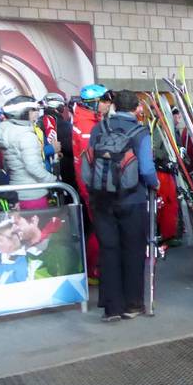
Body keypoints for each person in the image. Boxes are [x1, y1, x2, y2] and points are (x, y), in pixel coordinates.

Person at [87, 89, 158, 322]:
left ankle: (111, 308)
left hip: (101, 198)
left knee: (109, 250)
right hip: (132, 199)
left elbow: (88, 159)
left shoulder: (99, 128)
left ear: (114, 106)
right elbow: (146, 168)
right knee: (133, 250)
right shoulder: (140, 132)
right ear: (136, 108)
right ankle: (132, 305)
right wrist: (154, 183)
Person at [73, 84, 113, 281]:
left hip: (91, 183)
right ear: (93, 103)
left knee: (99, 227)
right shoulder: (87, 126)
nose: (108, 104)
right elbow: (95, 157)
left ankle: (94, 267)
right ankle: (93, 269)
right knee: (100, 228)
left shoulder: (87, 119)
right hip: (93, 186)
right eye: (104, 101)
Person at [0, 96, 56, 210]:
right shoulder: (26, 136)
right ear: (22, 113)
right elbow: (33, 167)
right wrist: (53, 181)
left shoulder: (7, 132)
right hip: (33, 193)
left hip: (17, 190)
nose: (37, 113)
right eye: (34, 110)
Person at [11, 210, 80, 279]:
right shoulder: (21, 256)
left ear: (34, 220)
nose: (14, 228)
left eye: (17, 223)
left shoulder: (60, 247)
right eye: (11, 226)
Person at [40, 92, 74, 186]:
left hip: (44, 170)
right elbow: (71, 148)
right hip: (65, 170)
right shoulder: (65, 126)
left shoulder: (37, 123)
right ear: (58, 107)